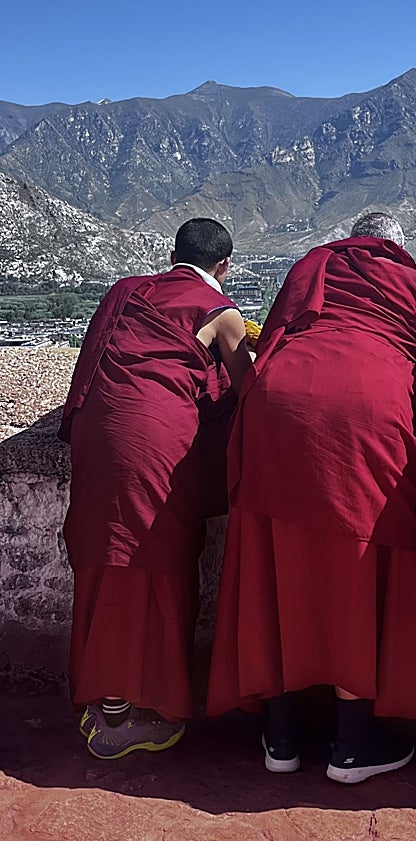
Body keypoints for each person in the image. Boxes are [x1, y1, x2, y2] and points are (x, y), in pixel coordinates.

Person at [207, 212, 416, 783]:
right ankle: (351, 746)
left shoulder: (311, 264)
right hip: (365, 409)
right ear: (396, 246)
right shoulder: (408, 280)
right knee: (357, 569)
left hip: (277, 405)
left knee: (275, 560)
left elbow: (278, 329)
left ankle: (280, 739)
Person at [59, 218, 251, 759]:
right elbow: (251, 387)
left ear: (174, 255)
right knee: (150, 559)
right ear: (224, 266)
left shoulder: (125, 290)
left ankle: (104, 701)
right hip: (155, 437)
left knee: (105, 551)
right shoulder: (219, 308)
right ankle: (125, 713)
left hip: (99, 430)